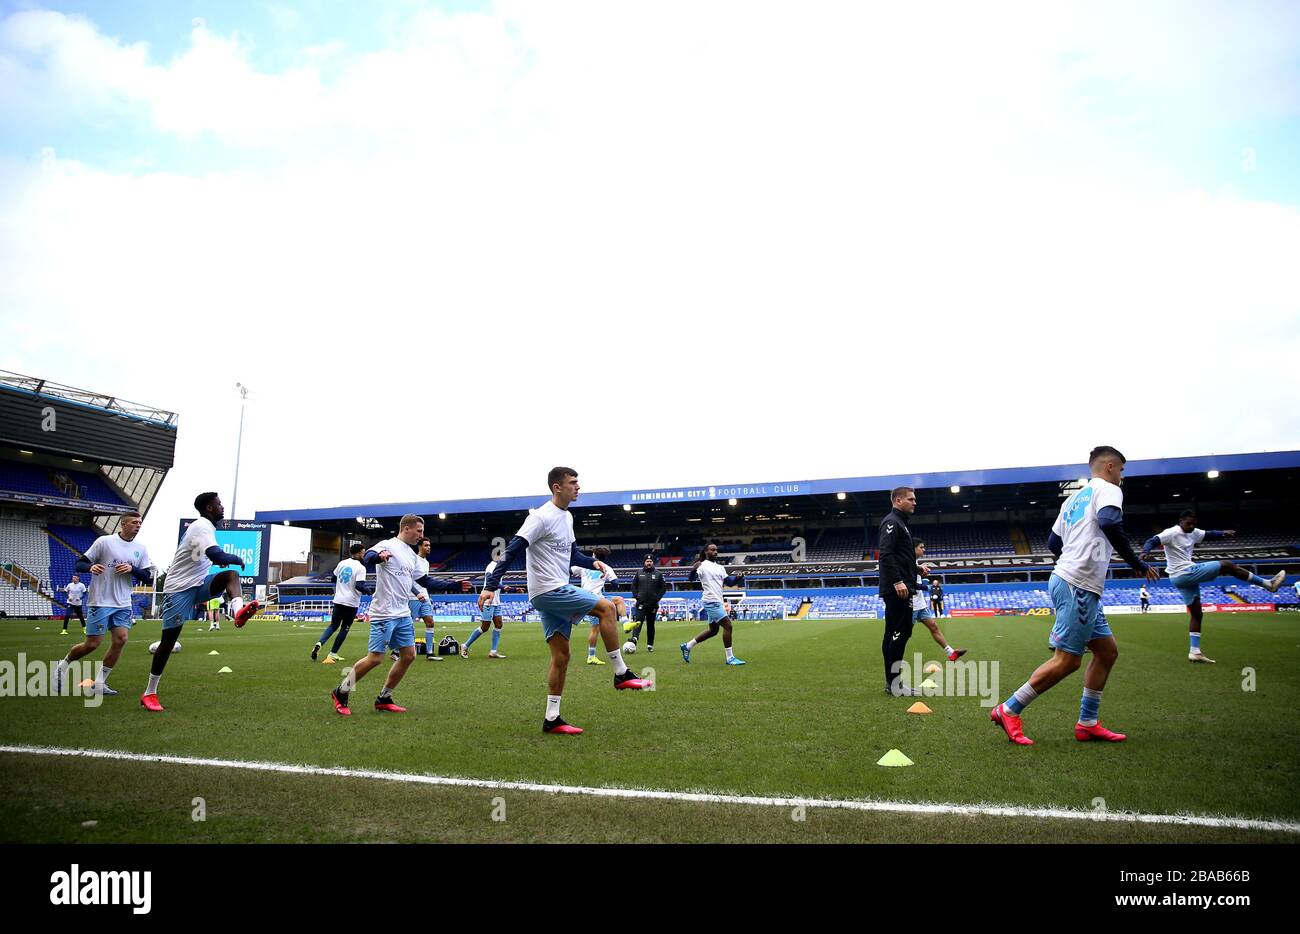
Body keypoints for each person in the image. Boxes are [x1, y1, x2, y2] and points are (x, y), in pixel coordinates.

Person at [990, 446, 1158, 746]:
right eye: (1121, 469)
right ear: (1108, 466)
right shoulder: (1108, 490)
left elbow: (1054, 541)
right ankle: (1008, 708)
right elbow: (1109, 522)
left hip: (1076, 583)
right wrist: (1136, 563)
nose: (1122, 476)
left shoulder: (1073, 499)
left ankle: (1087, 723)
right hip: (1077, 585)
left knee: (1106, 652)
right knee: (1067, 661)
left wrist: (1073, 559)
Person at [478, 467, 651, 736]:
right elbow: (510, 550)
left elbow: (572, 556)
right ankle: (621, 673)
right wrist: (490, 586)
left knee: (561, 657)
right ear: (557, 487)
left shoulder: (567, 517)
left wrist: (592, 562)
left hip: (553, 590)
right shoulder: (540, 517)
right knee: (606, 608)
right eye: (573, 483)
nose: (578, 487)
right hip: (549, 589)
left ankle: (552, 719)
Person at [328, 516, 469, 716]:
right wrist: (379, 557)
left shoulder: (411, 556)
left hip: (403, 613)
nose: (421, 536)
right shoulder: (387, 545)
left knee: (409, 655)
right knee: (375, 659)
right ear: (406, 528)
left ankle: (384, 697)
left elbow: (425, 581)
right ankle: (341, 691)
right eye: (418, 531)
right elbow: (368, 557)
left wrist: (453, 585)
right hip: (384, 612)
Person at [145, 492, 260, 712]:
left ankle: (238, 612)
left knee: (231, 576)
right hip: (179, 589)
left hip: (198, 583)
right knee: (168, 642)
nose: (222, 507)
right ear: (209, 508)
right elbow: (217, 557)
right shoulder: (202, 526)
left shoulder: (205, 527)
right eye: (219, 504)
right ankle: (149, 692)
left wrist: (231, 563)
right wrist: (236, 558)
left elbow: (214, 559)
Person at [1140, 509, 1285, 663]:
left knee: (1197, 613)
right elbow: (1153, 540)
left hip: (1180, 578)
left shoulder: (1193, 532)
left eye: (1193, 524)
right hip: (1184, 573)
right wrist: (1144, 553)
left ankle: (1194, 652)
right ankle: (1268, 584)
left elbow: (1208, 534)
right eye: (1188, 523)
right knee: (1227, 565)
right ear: (1181, 521)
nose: (1191, 526)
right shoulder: (1172, 532)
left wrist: (1223, 533)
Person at [54, 512, 151, 696]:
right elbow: (79, 564)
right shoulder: (104, 542)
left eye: (140, 523)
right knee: (92, 644)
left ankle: (99, 683)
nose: (138, 525)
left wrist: (132, 569)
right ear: (123, 524)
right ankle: (62, 667)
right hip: (100, 601)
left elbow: (147, 577)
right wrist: (91, 567)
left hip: (123, 603)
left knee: (121, 639)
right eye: (134, 522)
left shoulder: (141, 548)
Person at [878, 487, 923, 696]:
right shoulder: (892, 522)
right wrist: (897, 581)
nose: (915, 502)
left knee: (892, 633)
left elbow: (899, 556)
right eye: (911, 499)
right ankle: (895, 684)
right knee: (901, 632)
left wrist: (916, 568)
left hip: (901, 585)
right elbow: (885, 554)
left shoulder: (902, 523)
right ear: (898, 500)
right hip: (898, 589)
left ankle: (892, 683)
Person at [679, 542, 746, 665]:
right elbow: (690, 579)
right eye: (712, 550)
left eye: (716, 550)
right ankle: (730, 658)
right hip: (710, 600)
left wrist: (738, 577)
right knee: (728, 626)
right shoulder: (702, 566)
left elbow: (730, 583)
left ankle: (687, 646)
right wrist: (693, 569)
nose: (715, 552)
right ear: (706, 552)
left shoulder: (720, 567)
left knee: (713, 630)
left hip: (718, 601)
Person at [313, 543, 373, 663]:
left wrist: (342, 585)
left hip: (338, 600)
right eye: (363, 552)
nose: (364, 554)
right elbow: (359, 586)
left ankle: (320, 642)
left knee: (333, 625)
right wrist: (368, 591)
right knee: (344, 628)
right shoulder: (361, 568)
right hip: (351, 603)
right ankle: (333, 653)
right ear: (360, 552)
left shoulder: (342, 563)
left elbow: (333, 578)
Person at [912, 540, 966, 662]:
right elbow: (908, 584)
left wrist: (922, 579)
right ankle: (893, 661)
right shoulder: (908, 562)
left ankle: (951, 653)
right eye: (921, 547)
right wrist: (925, 586)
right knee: (904, 635)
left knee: (934, 626)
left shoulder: (915, 562)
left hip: (920, 603)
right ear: (913, 548)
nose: (924, 549)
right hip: (911, 605)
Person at [575, 546, 630, 665]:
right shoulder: (607, 568)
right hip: (595, 600)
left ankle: (626, 623)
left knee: (618, 600)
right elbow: (615, 584)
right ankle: (591, 656)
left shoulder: (584, 565)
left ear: (594, 555)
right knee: (595, 629)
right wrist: (603, 578)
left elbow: (570, 570)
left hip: (586, 597)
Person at [407, 537, 444, 662]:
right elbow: (408, 581)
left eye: (429, 545)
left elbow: (425, 582)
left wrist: (427, 594)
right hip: (413, 597)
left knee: (430, 622)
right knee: (408, 625)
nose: (428, 547)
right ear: (419, 546)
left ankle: (430, 653)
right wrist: (417, 593)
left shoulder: (426, 563)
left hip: (425, 597)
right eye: (426, 545)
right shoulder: (413, 560)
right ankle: (401, 651)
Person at [463, 558, 507, 658]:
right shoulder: (492, 566)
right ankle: (465, 645)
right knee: (485, 627)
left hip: (496, 601)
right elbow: (490, 579)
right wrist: (503, 587)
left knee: (499, 624)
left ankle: (493, 651)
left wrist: (510, 588)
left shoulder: (499, 567)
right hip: (488, 600)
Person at [625, 554, 667, 652]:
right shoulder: (639, 573)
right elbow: (633, 586)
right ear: (644, 562)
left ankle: (650, 645)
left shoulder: (658, 574)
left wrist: (657, 598)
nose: (649, 563)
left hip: (653, 605)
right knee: (637, 622)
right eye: (647, 561)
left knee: (650, 625)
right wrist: (637, 596)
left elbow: (663, 588)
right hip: (641, 603)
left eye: (650, 561)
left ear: (653, 562)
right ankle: (634, 639)